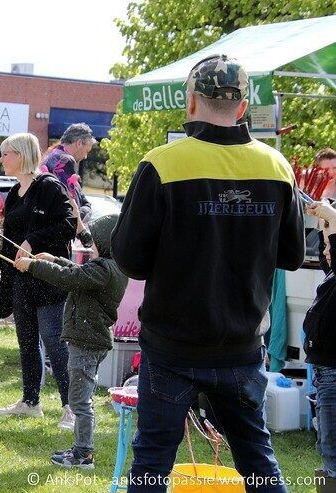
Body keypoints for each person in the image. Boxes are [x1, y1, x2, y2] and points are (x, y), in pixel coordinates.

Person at [111, 54, 304, 492]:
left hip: (171, 346)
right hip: (240, 344)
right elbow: (292, 256)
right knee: (257, 457)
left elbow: (130, 260)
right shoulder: (276, 167)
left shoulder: (162, 163)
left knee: (153, 458)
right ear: (242, 107)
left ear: (191, 103)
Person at [0, 132, 76, 428]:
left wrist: (33, 241)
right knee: (27, 342)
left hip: (48, 278)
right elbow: (10, 242)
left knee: (55, 342)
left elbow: (68, 225)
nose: (1, 159)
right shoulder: (12, 193)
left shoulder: (49, 187)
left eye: (6, 154)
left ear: (21, 155)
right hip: (21, 282)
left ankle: (72, 406)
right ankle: (30, 402)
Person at [15, 213, 128, 469]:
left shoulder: (104, 271)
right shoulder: (110, 268)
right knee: (81, 399)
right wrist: (54, 259)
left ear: (106, 244)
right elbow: (79, 272)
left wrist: (33, 266)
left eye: (94, 243)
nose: (91, 247)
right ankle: (81, 450)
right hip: (90, 340)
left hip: (87, 342)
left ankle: (83, 454)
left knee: (79, 401)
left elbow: (71, 278)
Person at [303, 201, 336, 489]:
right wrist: (324, 223)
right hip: (326, 372)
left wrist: (332, 218)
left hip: (334, 373)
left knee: (332, 448)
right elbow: (329, 257)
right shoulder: (333, 278)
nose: (325, 252)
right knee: (326, 444)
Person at [40, 123, 96, 247]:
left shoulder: (50, 155)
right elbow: (68, 200)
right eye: (87, 150)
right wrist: (82, 232)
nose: (86, 156)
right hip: (56, 235)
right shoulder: (65, 160)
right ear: (79, 143)